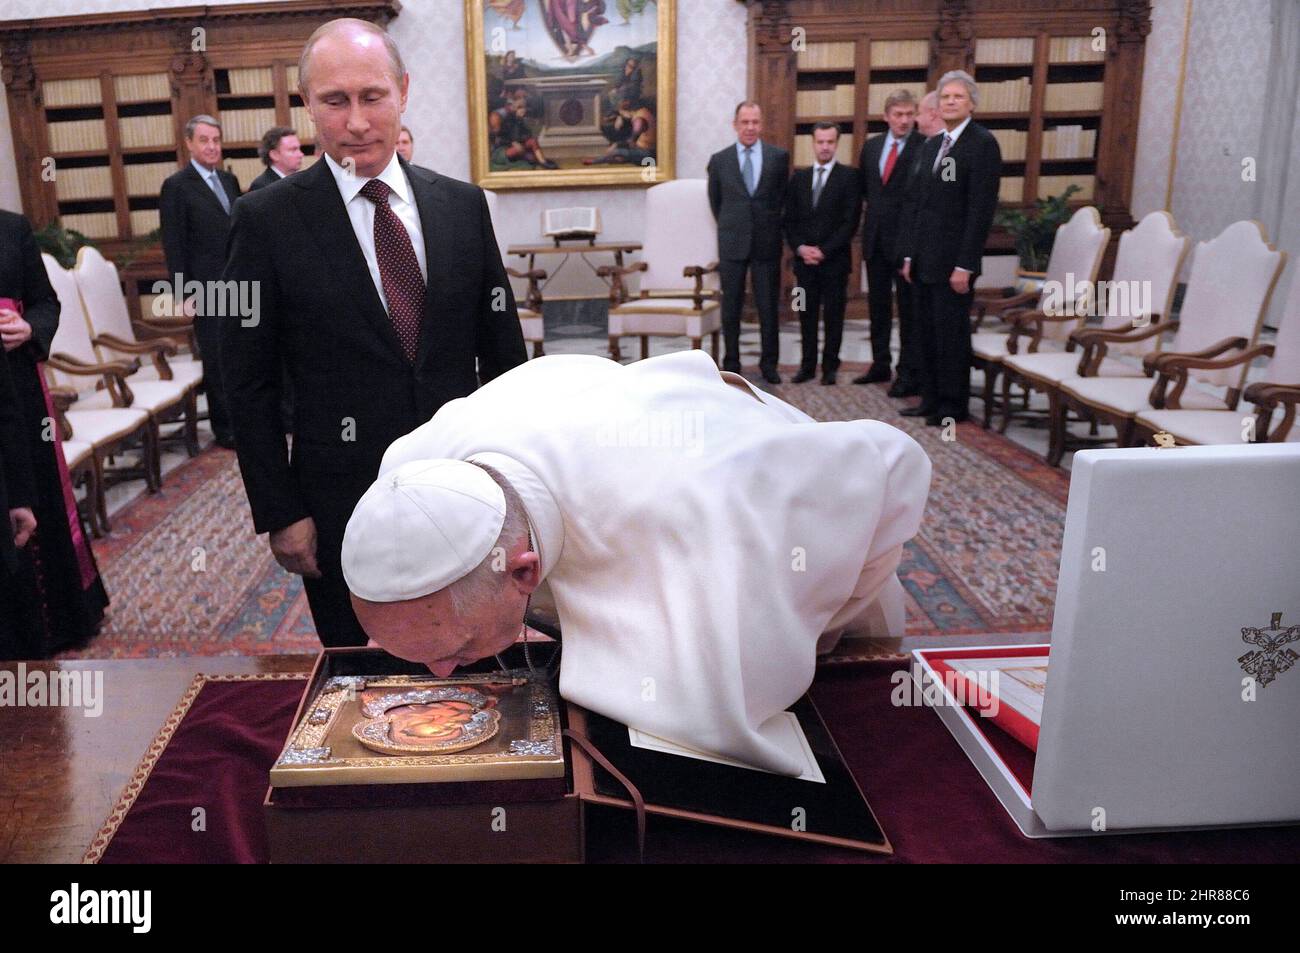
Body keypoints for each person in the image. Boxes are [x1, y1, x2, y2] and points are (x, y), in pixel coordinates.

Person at [340, 349, 929, 776]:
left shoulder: (700, 511)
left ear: (524, 570)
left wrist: (804, 632)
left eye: (451, 652)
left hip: (823, 578)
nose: (441, 676)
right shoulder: (414, 467)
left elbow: (889, 461)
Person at [221, 18, 527, 648]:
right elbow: (244, 383)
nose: (357, 121)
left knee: (473, 657)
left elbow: (505, 363)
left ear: (403, 92)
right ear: (308, 104)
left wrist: (519, 488)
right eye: (335, 101)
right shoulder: (266, 221)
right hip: (338, 501)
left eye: (372, 96)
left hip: (465, 485)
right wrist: (282, 512)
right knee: (361, 682)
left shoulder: (462, 207)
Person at [0, 210, 108, 658]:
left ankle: (56, 620)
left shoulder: (11, 228)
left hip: (19, 392)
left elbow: (46, 303)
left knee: (34, 493)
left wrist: (29, 329)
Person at [897, 71, 1002, 425]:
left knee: (950, 336)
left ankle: (952, 406)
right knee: (924, 332)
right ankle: (929, 398)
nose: (951, 102)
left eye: (958, 96)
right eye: (945, 97)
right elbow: (918, 205)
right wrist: (910, 254)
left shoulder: (982, 144)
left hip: (955, 264)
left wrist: (966, 265)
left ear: (972, 103)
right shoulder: (931, 145)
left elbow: (979, 210)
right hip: (924, 259)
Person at [159, 114, 242, 448]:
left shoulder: (229, 180)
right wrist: (184, 293)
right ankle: (225, 429)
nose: (212, 146)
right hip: (204, 289)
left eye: (216, 140)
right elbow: (174, 243)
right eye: (204, 140)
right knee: (217, 358)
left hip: (237, 284)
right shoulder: (176, 186)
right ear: (189, 143)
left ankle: (244, 420)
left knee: (239, 355)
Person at [707, 102, 789, 383]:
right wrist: (734, 225)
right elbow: (716, 203)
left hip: (767, 243)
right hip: (732, 242)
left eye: (755, 122)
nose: (751, 127)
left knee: (768, 306)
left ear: (761, 124)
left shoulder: (778, 158)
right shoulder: (720, 161)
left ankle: (769, 363)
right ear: (735, 125)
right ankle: (731, 362)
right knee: (731, 307)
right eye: (745, 122)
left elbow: (782, 200)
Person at [855, 90, 926, 389]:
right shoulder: (871, 148)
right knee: (878, 308)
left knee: (908, 313)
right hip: (875, 241)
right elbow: (865, 192)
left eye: (910, 114)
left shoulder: (925, 147)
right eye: (898, 114)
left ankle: (907, 371)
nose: (904, 120)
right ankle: (880, 363)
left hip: (907, 244)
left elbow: (922, 200)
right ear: (886, 116)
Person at [782, 122, 861, 385]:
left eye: (830, 142)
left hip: (835, 263)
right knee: (805, 315)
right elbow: (789, 221)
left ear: (837, 144)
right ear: (813, 143)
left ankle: (830, 367)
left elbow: (850, 222)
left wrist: (824, 251)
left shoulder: (849, 178)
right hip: (804, 265)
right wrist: (801, 248)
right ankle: (807, 366)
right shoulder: (799, 179)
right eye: (820, 142)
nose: (825, 147)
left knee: (833, 317)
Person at [248, 126, 303, 190]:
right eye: (293, 150)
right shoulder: (262, 186)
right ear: (274, 155)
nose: (301, 154)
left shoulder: (302, 180)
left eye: (299, 149)